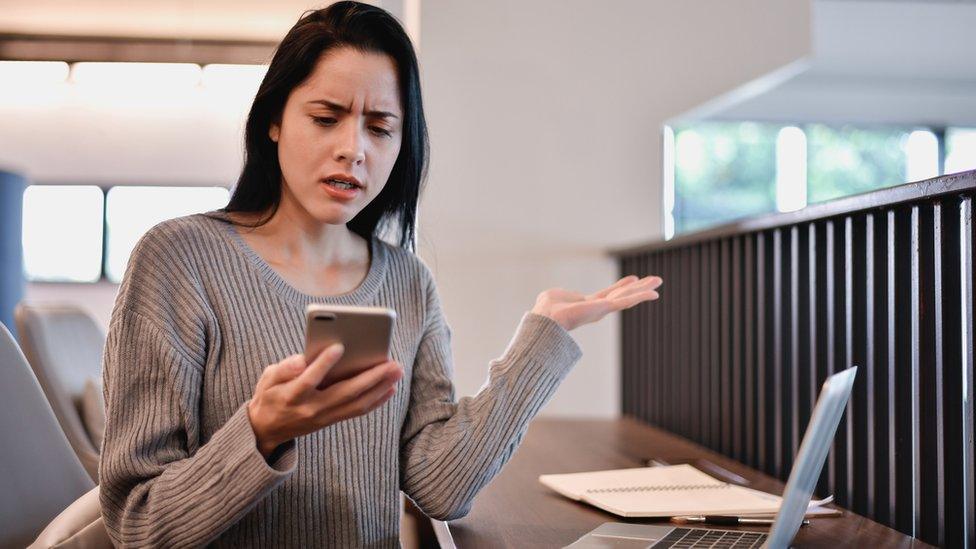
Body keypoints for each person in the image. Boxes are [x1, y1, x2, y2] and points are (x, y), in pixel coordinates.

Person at [98, 2, 663, 547]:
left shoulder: (407, 281)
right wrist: (261, 431)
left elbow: (441, 487)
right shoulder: (180, 258)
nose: (353, 150)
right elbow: (138, 524)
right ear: (274, 119)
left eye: (380, 127)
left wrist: (545, 336)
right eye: (326, 118)